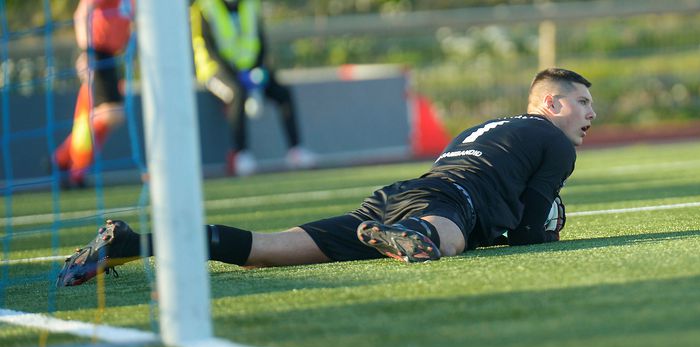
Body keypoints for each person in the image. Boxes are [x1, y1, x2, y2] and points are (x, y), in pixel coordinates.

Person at [56, 68, 596, 287]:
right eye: (582, 102)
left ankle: (132, 242)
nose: (590, 114)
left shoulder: (484, 126)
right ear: (551, 103)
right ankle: (417, 239)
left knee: (269, 248)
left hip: (395, 197)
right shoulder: (553, 140)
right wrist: (550, 225)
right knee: (444, 239)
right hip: (447, 200)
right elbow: (526, 231)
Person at [189, 0, 315, 176]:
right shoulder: (204, 7)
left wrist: (256, 71)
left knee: (282, 93)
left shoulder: (250, 4)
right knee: (237, 93)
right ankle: (241, 154)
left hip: (248, 70)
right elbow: (209, 48)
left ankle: (295, 150)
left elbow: (260, 40)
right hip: (215, 72)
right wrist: (237, 77)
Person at [52, 0, 133, 188]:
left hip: (111, 57)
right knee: (112, 114)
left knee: (97, 115)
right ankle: (66, 161)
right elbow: (82, 14)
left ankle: (68, 164)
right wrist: (87, 52)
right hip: (95, 54)